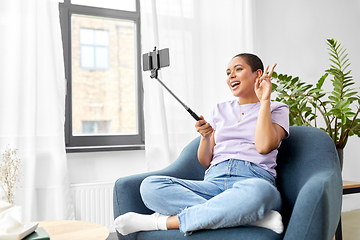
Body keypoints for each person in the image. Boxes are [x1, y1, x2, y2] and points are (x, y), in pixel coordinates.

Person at [114, 53, 289, 236]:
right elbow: (205, 160)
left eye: (238, 69)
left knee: (260, 193)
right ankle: (250, 217)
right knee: (150, 186)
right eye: (228, 72)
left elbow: (263, 146)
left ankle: (161, 222)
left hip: (253, 180)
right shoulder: (219, 110)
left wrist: (265, 101)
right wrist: (205, 138)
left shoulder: (277, 109)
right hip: (213, 182)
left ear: (257, 74)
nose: (231, 76)